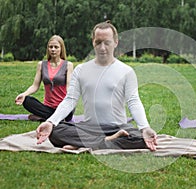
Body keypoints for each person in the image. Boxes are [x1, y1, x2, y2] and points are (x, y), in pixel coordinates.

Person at [36, 21, 157, 151]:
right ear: (93, 42)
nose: (102, 47)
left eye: (107, 42)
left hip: (117, 127)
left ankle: (84, 143)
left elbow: (133, 101)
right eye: (98, 42)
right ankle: (106, 142)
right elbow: (70, 100)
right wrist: (50, 122)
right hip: (89, 128)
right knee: (56, 131)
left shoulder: (126, 71)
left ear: (116, 42)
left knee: (141, 137)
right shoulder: (81, 70)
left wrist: (144, 127)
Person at [15, 35, 74, 122]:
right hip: (47, 107)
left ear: (61, 48)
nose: (53, 49)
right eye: (51, 47)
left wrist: (69, 102)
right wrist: (24, 94)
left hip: (63, 106)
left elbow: (69, 87)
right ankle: (56, 118)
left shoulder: (68, 65)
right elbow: (35, 86)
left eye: (56, 47)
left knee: (69, 110)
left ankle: (44, 117)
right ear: (48, 49)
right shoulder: (41, 65)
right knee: (27, 100)